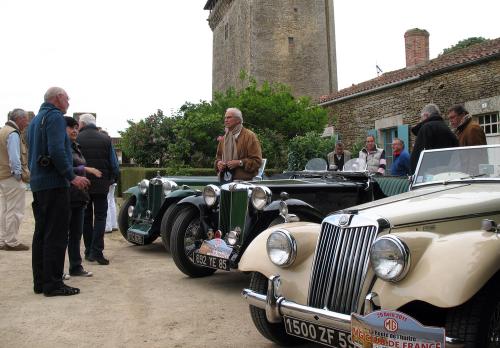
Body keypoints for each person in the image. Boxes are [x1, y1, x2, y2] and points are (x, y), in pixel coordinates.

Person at [28, 87, 90, 296]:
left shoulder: (36, 120)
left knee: (41, 233)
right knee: (56, 235)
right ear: (58, 99)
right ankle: (54, 284)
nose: (69, 101)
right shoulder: (55, 118)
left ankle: (41, 282)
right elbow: (56, 150)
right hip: (54, 183)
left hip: (38, 183)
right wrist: (71, 176)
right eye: (67, 98)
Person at [77, 114, 119, 265]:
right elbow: (113, 163)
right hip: (101, 184)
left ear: (82, 124)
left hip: (83, 184)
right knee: (100, 217)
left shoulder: (77, 139)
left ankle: (88, 251)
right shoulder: (106, 139)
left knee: (86, 218)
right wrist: (113, 178)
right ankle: (98, 251)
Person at [65, 116, 102, 277]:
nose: (74, 131)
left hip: (79, 196)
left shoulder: (76, 146)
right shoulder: (62, 147)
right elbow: (63, 168)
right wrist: (87, 169)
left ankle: (76, 266)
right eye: (70, 128)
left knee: (76, 234)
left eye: (76, 127)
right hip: (66, 195)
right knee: (62, 235)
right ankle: (57, 271)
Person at [0, 109, 30, 251]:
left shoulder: (3, 130)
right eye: (26, 119)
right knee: (15, 210)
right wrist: (18, 175)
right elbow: (14, 157)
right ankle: (11, 241)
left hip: (2, 176)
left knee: (4, 210)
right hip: (12, 177)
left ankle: (2, 239)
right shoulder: (13, 133)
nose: (27, 122)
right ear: (20, 119)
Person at [215, 108, 262, 183]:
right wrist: (219, 163)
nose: (226, 120)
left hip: (245, 183)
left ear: (238, 120)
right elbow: (218, 158)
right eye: (225, 118)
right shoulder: (224, 138)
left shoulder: (250, 136)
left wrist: (239, 163)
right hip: (225, 181)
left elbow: (257, 162)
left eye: (229, 117)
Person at [410, 103, 459, 173]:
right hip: (448, 173)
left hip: (429, 175)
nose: (421, 120)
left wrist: (414, 175)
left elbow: (418, 157)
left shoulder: (426, 128)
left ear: (426, 115)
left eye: (421, 118)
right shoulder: (446, 128)